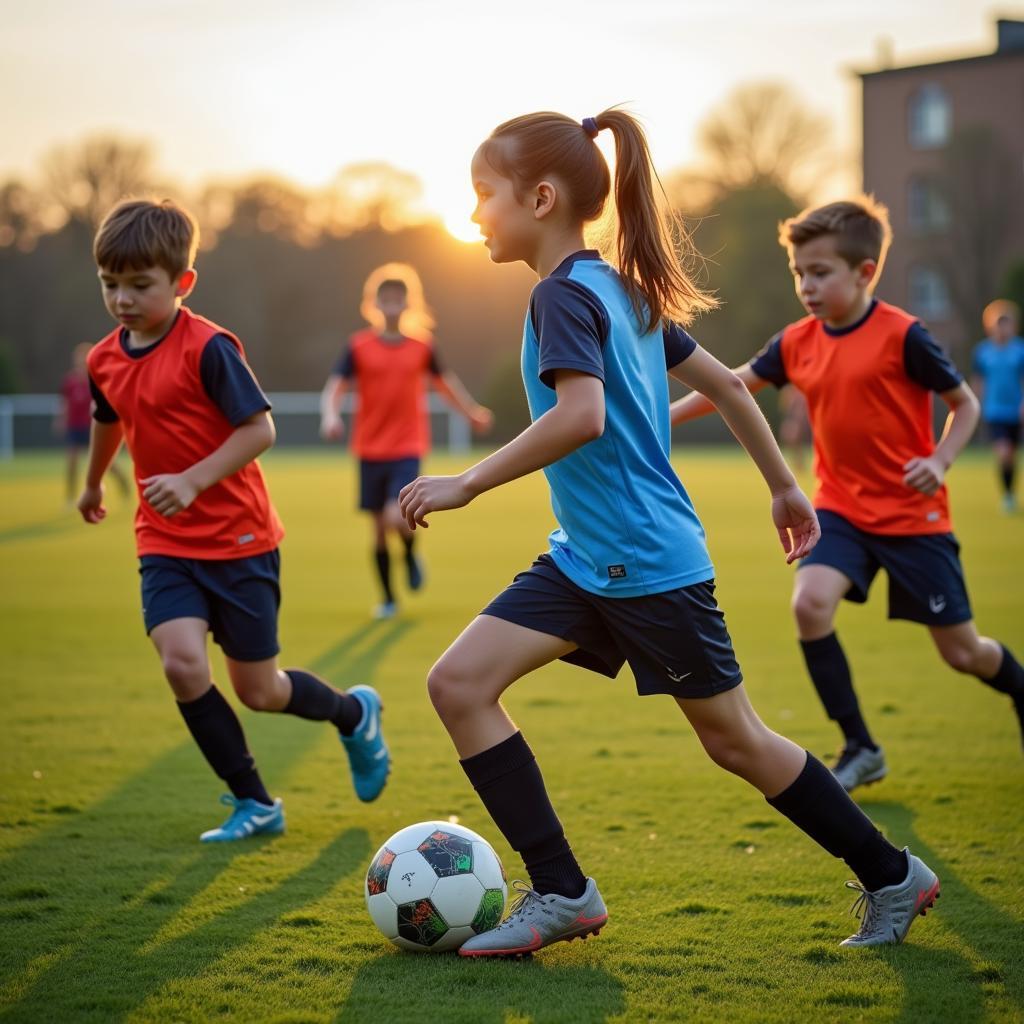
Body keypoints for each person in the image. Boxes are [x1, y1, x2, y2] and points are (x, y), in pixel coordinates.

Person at [398, 111, 939, 956]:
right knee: (459, 684)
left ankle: (891, 874)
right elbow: (729, 383)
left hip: (649, 567)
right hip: (585, 562)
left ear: (540, 198)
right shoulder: (620, 288)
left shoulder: (564, 294)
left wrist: (467, 480)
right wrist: (786, 486)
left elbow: (582, 415)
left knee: (738, 743)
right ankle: (563, 891)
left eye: (482, 195)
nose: (473, 216)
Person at [672, 197, 1024, 792]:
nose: (806, 286)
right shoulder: (795, 342)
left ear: (865, 273)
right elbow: (728, 387)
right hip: (839, 508)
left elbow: (964, 404)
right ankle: (861, 745)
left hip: (916, 518)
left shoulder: (905, 336)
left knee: (964, 654)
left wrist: (939, 461)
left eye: (821, 272)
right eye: (799, 273)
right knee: (809, 606)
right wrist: (653, 419)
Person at [77, 198, 390, 842]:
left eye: (140, 285)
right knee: (183, 666)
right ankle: (255, 801)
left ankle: (353, 713)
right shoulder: (104, 358)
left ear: (182, 283)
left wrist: (192, 480)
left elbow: (259, 429)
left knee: (260, 690)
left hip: (240, 541)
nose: (122, 300)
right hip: (163, 541)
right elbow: (109, 418)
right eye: (111, 284)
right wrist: (90, 486)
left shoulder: (208, 347)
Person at [320, 264, 493, 619]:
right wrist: (330, 415)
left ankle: (411, 553)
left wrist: (471, 413)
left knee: (394, 515)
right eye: (386, 300)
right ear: (374, 304)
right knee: (379, 531)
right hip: (369, 448)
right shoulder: (358, 347)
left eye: (399, 300)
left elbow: (446, 385)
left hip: (408, 446)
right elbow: (335, 387)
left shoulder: (422, 347)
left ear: (409, 304)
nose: (392, 306)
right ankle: (388, 599)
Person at [56, 341, 129, 505]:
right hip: (75, 427)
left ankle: (123, 483)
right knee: (72, 463)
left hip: (93, 427)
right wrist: (61, 419)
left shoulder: (96, 379)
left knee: (105, 463)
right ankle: (70, 497)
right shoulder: (70, 382)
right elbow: (65, 403)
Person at [971, 299, 1024, 513]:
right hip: (995, 410)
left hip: (1017, 410)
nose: (1002, 328)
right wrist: (974, 406)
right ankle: (1008, 495)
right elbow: (978, 381)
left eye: (1006, 323)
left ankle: (1011, 491)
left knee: (1012, 454)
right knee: (1004, 453)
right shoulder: (982, 352)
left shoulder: (1020, 350)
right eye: (998, 323)